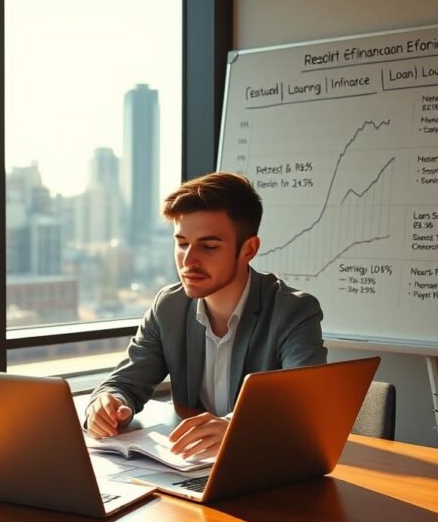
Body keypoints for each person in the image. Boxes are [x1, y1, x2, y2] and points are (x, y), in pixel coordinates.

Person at [85, 172, 327, 459]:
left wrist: (233, 428)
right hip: (191, 466)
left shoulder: (294, 311)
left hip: (264, 466)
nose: (188, 261)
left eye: (209, 246)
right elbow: (123, 383)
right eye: (182, 243)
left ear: (248, 249)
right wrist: (108, 403)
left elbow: (305, 407)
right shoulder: (168, 307)